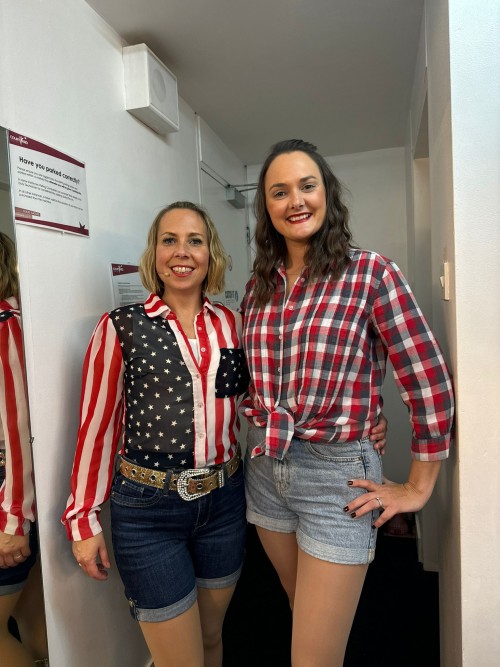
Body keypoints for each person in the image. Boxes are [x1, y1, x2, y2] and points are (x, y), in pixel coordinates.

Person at [240, 139, 455, 667]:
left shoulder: (371, 273)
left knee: (313, 655)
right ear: (266, 208)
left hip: (338, 478)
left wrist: (419, 485)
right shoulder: (257, 289)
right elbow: (255, 380)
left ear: (327, 194)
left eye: (307, 186)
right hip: (267, 471)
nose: (296, 200)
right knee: (301, 615)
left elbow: (427, 378)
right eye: (279, 191)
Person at [62, 202, 251, 667]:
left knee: (210, 638)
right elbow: (96, 428)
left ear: (211, 253)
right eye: (169, 240)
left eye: (195, 240)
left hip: (225, 502)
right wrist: (83, 520)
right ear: (154, 251)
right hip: (149, 512)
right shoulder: (120, 327)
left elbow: (251, 402)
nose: (181, 251)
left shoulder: (233, 324)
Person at [0, 232, 48, 666]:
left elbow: (18, 430)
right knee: (32, 616)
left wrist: (15, 519)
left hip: (8, 499)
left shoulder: (3, 326)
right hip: (15, 498)